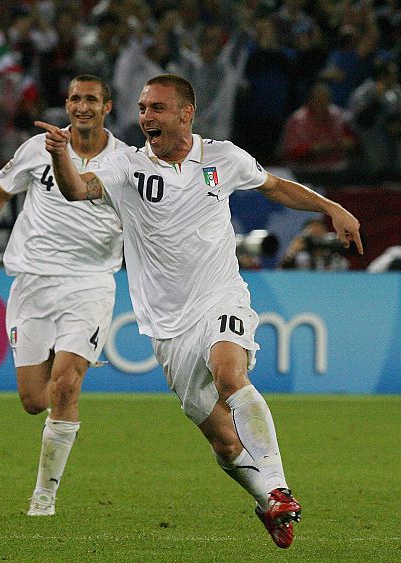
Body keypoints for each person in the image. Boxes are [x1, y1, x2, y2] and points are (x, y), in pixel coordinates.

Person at [35, 73, 362, 548]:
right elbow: (77, 189)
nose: (147, 117)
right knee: (225, 443)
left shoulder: (222, 158)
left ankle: (277, 486)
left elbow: (273, 186)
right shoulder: (126, 167)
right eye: (143, 109)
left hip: (220, 296)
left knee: (231, 375)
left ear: (185, 114)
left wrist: (332, 208)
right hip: (167, 326)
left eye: (157, 108)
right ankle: (267, 501)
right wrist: (60, 156)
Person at [0, 75, 126, 517]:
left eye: (91, 98)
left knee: (65, 386)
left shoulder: (127, 161)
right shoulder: (39, 148)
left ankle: (44, 496)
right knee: (34, 401)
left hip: (90, 283)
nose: (82, 106)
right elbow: (1, 192)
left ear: (107, 107)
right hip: (33, 283)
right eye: (74, 97)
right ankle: (62, 355)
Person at [279, 217, 351, 271]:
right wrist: (290, 254)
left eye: (320, 235)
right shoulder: (299, 258)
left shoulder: (337, 260)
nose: (317, 240)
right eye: (313, 236)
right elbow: (281, 276)